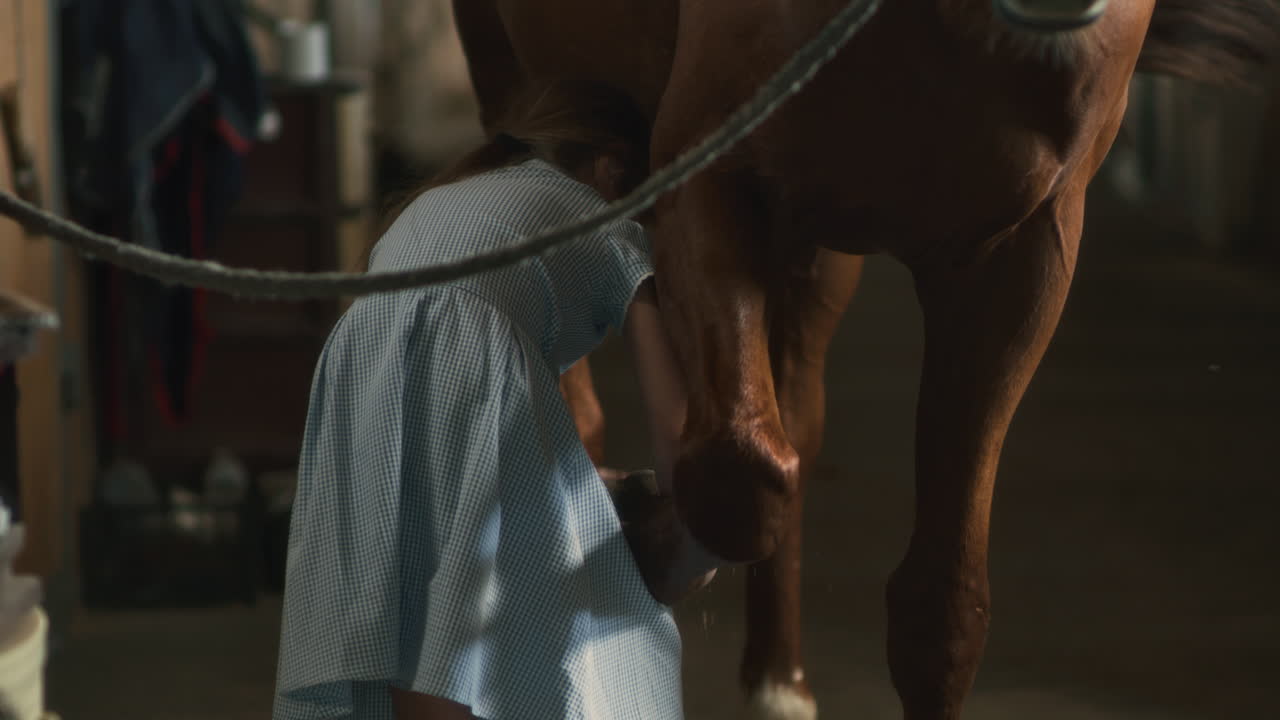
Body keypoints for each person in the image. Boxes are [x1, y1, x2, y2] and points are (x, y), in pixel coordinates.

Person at [272, 80, 722, 720]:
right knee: (479, 615)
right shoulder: (609, 221)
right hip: (469, 373)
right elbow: (680, 439)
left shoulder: (451, 196)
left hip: (359, 380)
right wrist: (698, 534)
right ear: (616, 168)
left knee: (394, 607)